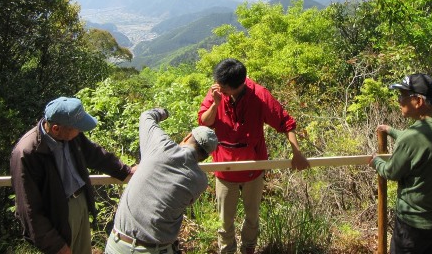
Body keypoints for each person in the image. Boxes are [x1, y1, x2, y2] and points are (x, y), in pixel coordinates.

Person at [198, 58, 310, 254]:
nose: (219, 88)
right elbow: (204, 122)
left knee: (252, 216)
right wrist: (215, 104)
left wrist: (297, 153)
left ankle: (249, 248)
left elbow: (286, 123)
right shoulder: (217, 91)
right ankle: (227, 250)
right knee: (225, 219)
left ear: (238, 84)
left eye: (224, 87)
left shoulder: (259, 95)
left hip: (253, 168)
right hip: (224, 168)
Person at [10, 96, 136, 254]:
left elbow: (95, 154)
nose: (80, 132)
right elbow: (29, 208)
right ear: (56, 128)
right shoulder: (27, 153)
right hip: (57, 215)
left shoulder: (70, 135)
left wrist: (125, 171)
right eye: (77, 128)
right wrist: (55, 245)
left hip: (79, 205)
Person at [105, 107, 218, 254]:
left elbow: (146, 116)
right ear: (205, 157)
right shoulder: (200, 181)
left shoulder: (161, 146)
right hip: (156, 250)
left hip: (118, 245)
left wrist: (164, 112)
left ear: (187, 137)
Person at [369, 73, 432, 254]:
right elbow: (423, 141)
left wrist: (375, 161)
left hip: (416, 222)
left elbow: (391, 171)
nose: (399, 101)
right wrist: (392, 131)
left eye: (403, 96)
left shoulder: (412, 137)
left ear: (418, 101)